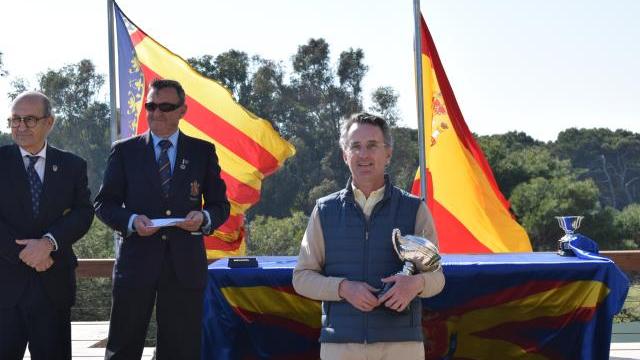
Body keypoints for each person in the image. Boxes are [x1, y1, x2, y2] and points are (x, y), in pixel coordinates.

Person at [94, 79, 230, 360]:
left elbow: (220, 206)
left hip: (184, 269)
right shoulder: (124, 151)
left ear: (183, 110)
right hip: (135, 265)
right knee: (123, 348)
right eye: (151, 105)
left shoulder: (202, 152)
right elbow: (104, 204)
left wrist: (203, 217)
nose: (156, 112)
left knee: (181, 350)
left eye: (165, 106)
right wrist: (131, 221)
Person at [293, 112, 445, 360]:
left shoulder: (415, 208)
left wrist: (416, 284)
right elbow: (301, 278)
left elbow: (437, 277)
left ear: (388, 154)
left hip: (402, 346)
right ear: (345, 155)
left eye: (372, 146)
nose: (363, 154)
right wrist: (342, 288)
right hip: (340, 345)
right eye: (355, 146)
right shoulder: (324, 210)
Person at [0, 91, 94, 359]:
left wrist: (48, 243)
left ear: (49, 122)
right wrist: (25, 252)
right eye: (14, 120)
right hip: (4, 289)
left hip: (53, 288)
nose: (20, 127)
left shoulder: (72, 165)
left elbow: (83, 212)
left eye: (29, 120)